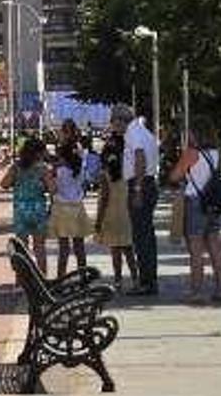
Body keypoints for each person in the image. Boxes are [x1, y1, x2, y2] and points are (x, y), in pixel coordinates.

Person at [168, 129, 221, 303]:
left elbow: (175, 176)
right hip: (213, 202)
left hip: (195, 202)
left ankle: (196, 291)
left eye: (191, 134)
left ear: (197, 135)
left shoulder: (192, 153)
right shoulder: (217, 153)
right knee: (215, 247)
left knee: (196, 250)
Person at [116, 106, 161, 296]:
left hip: (140, 183)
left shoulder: (133, 133)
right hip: (148, 183)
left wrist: (137, 189)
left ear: (121, 120)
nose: (112, 126)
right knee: (146, 236)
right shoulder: (143, 131)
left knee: (141, 237)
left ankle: (146, 282)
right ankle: (149, 279)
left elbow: (140, 158)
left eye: (113, 121)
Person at [1, 137, 52, 275]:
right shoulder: (43, 168)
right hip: (38, 210)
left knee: (22, 249)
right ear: (39, 153)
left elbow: (4, 184)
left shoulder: (16, 167)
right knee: (39, 248)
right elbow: (53, 189)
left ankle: (21, 282)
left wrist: (17, 183)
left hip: (21, 211)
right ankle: (43, 280)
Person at [94, 132, 137, 291]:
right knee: (128, 249)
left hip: (111, 215)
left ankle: (118, 280)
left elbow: (104, 199)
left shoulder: (105, 175)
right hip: (126, 214)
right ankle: (135, 277)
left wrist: (98, 221)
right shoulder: (129, 172)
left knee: (115, 250)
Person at [49, 142, 93, 277]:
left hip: (62, 209)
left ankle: (61, 276)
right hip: (78, 209)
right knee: (79, 247)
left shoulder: (59, 171)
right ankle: (83, 277)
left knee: (64, 248)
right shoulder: (80, 170)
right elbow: (86, 186)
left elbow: (53, 189)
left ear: (63, 157)